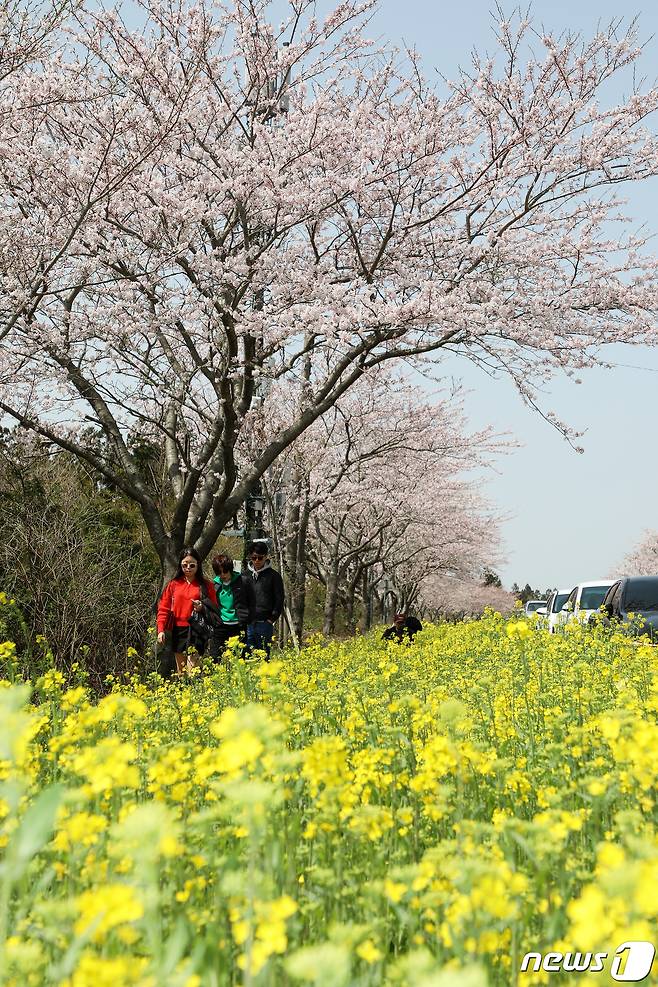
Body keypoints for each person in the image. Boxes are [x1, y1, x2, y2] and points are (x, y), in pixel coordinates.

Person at [157, 547, 218, 674]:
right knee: (182, 671)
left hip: (197, 629)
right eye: (185, 565)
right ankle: (184, 692)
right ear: (180, 565)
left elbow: (214, 607)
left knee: (193, 670)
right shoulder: (173, 584)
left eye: (192, 565)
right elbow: (164, 608)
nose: (188, 568)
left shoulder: (207, 586)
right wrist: (161, 630)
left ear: (198, 565)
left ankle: (195, 691)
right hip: (178, 630)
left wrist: (201, 607)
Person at [243, 540, 284, 661]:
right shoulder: (245, 576)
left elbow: (279, 598)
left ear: (266, 557)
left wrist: (272, 619)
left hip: (265, 623)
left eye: (260, 558)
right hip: (248, 623)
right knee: (247, 657)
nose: (256, 561)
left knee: (264, 658)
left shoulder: (274, 576)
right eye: (254, 558)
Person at [208, 554, 248, 661]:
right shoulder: (214, 585)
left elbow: (251, 602)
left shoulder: (242, 582)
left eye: (225, 571)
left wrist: (246, 618)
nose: (222, 575)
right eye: (219, 572)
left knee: (239, 659)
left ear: (230, 569)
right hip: (220, 626)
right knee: (215, 658)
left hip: (238, 626)